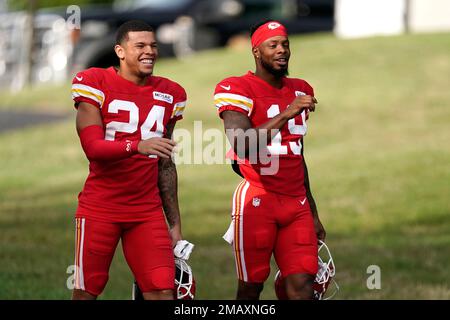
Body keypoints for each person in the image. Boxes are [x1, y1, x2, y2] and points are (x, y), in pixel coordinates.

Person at [70, 20, 187, 300]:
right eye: (141, 46)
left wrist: (175, 223)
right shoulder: (95, 83)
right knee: (87, 291)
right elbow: (94, 148)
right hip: (101, 207)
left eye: (153, 45)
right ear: (120, 51)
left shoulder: (171, 93)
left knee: (163, 290)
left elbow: (165, 164)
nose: (150, 51)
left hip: (146, 211)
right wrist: (137, 146)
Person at [214, 19, 326, 300]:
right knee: (251, 287)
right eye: (272, 45)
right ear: (256, 51)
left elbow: (296, 154)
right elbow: (242, 145)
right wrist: (286, 113)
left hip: (296, 202)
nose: (281, 50)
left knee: (303, 284)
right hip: (257, 199)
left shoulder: (300, 89)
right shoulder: (237, 88)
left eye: (285, 44)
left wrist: (312, 211)